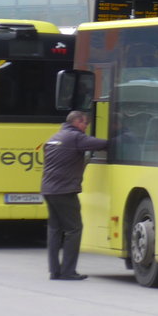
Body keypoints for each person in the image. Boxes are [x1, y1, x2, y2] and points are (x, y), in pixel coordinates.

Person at [42, 110, 108, 281]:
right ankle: (68, 271)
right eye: (85, 124)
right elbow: (102, 144)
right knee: (74, 229)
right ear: (78, 122)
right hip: (65, 191)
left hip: (48, 189)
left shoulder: (54, 137)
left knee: (55, 230)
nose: (86, 127)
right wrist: (123, 139)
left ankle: (54, 271)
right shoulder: (75, 137)